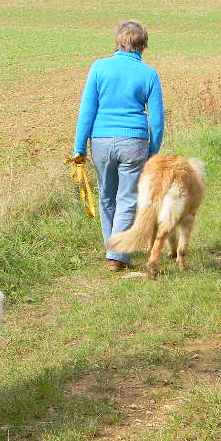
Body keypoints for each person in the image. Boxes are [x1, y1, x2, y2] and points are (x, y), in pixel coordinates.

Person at [73, 21, 164, 272]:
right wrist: (152, 151)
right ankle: (117, 252)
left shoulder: (99, 68)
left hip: (101, 142)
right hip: (134, 143)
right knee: (127, 198)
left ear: (118, 42)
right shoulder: (149, 74)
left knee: (107, 196)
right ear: (142, 45)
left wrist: (79, 148)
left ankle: (114, 250)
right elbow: (156, 120)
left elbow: (87, 110)